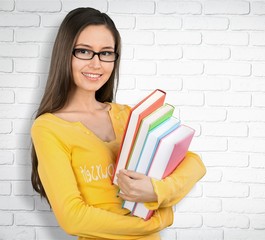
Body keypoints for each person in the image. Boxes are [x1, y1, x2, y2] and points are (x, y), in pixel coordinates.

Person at [30, 7, 206, 240]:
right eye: (84, 51)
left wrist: (157, 190)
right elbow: (73, 218)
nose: (96, 64)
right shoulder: (49, 128)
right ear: (65, 54)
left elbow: (194, 163)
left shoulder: (128, 115)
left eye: (106, 53)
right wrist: (154, 223)